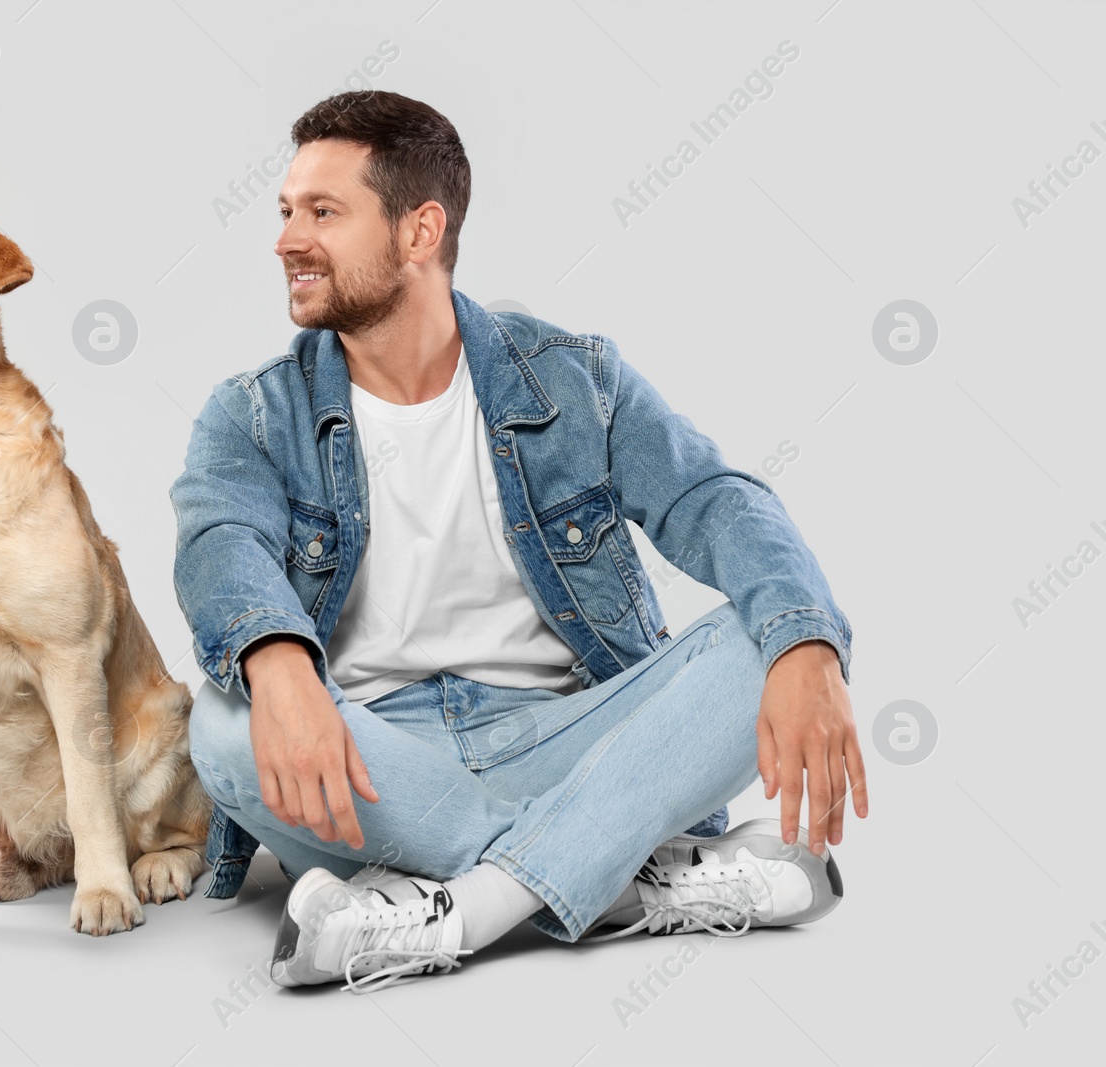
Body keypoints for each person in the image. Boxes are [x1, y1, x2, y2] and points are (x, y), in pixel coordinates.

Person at [169, 90, 866, 994]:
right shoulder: (255, 411)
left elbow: (715, 499)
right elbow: (216, 542)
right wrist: (276, 659)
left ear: (421, 232)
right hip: (366, 756)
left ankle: (458, 911)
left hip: (562, 733)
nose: (287, 238)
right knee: (223, 725)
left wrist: (807, 642)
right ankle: (620, 870)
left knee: (764, 638)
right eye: (287, 211)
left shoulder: (573, 378)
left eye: (323, 213)